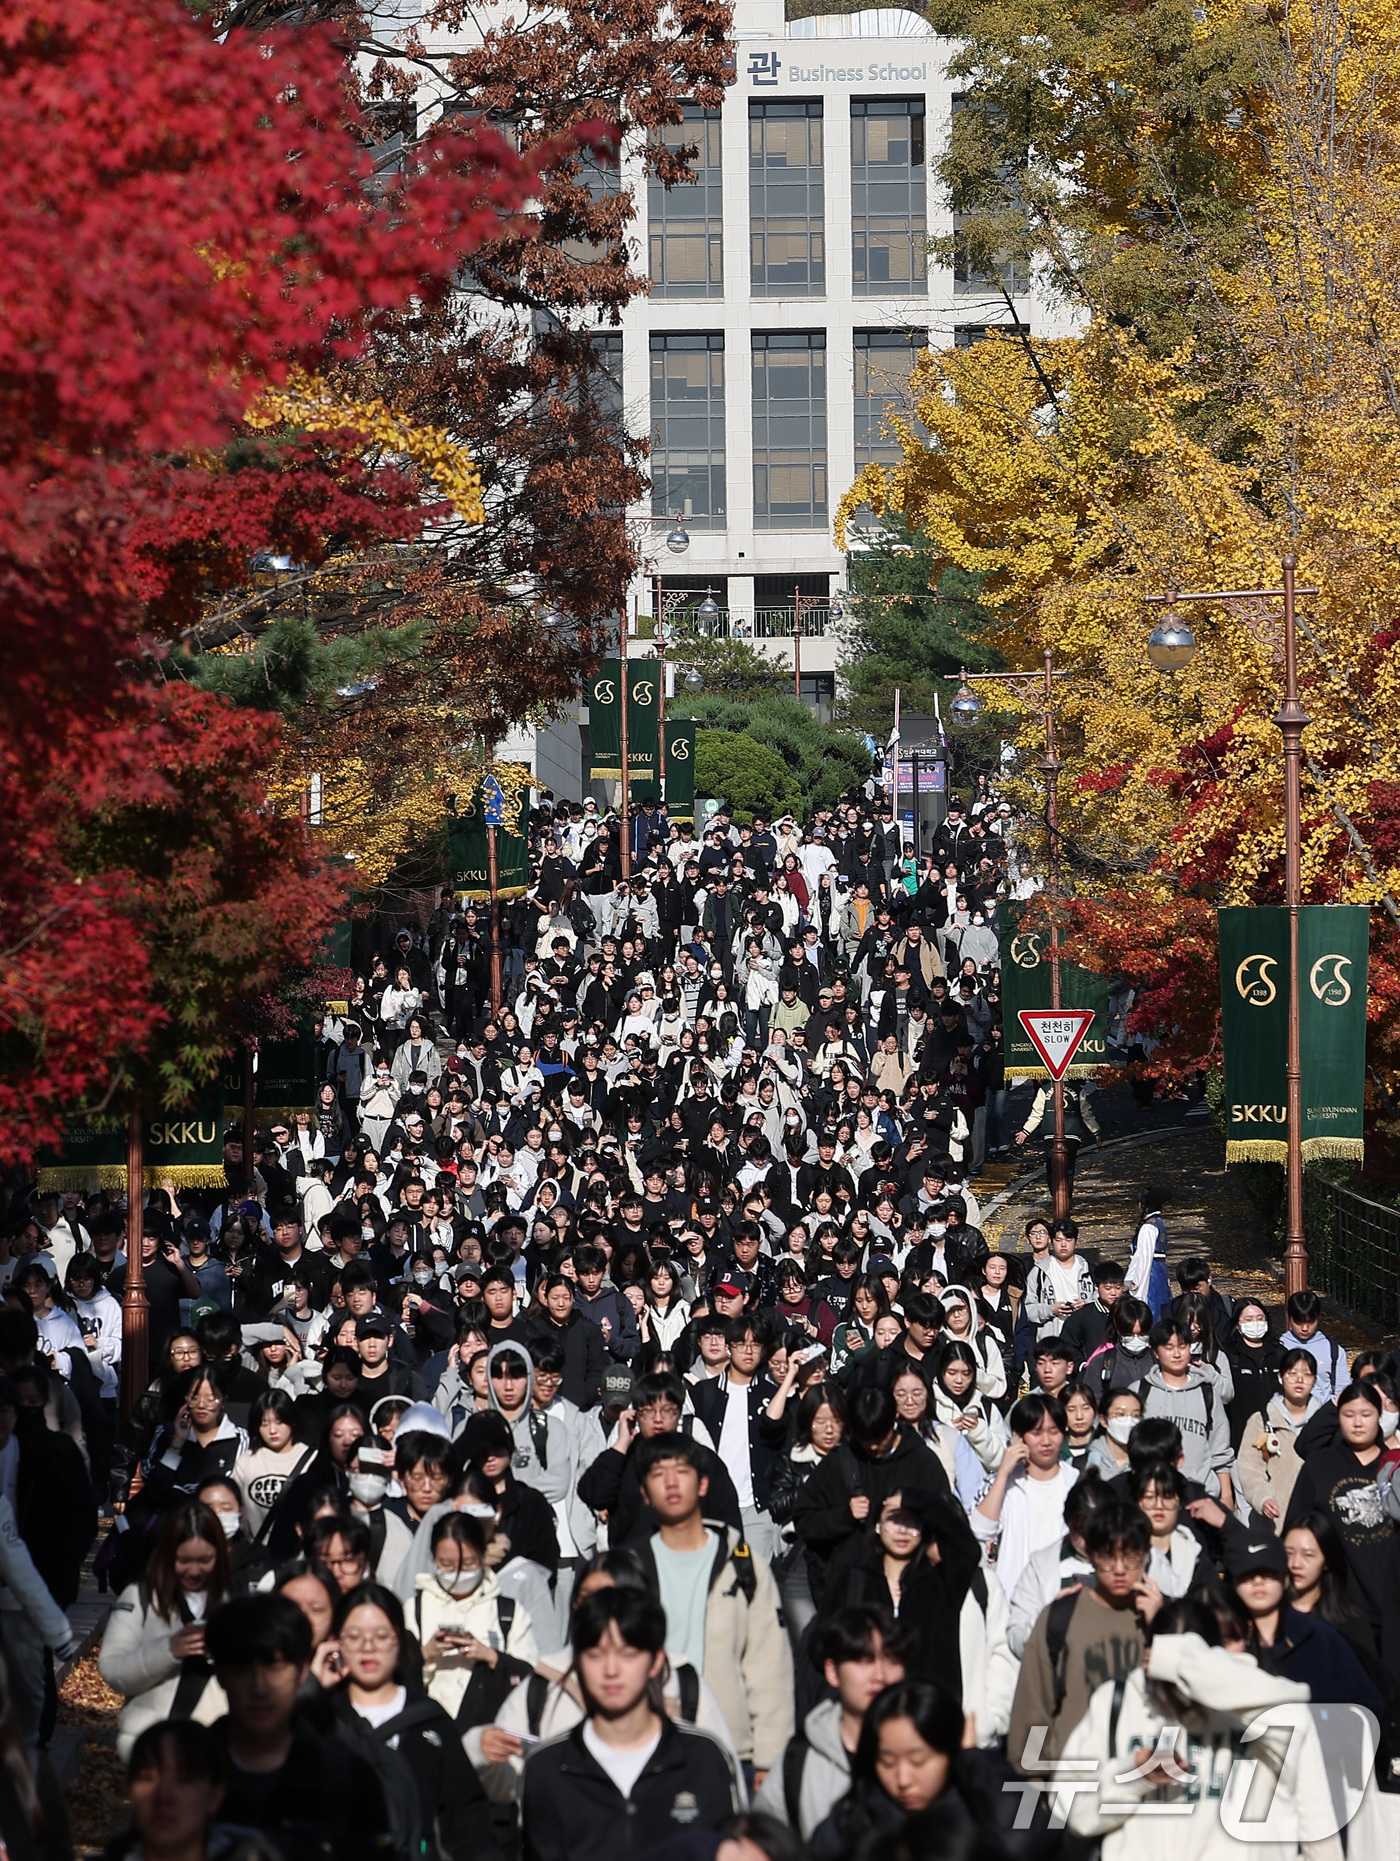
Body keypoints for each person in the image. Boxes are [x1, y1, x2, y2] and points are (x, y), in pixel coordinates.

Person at [1060, 1596, 1343, 1860]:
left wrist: (1187, 1666)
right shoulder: (1116, 1701)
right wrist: (1134, 1775)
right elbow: (1073, 1811)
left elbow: (1316, 1818)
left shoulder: (1258, 1706)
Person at [520, 1586, 744, 1861]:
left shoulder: (704, 1758)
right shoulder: (547, 1768)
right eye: (596, 1655)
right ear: (577, 1662)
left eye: (628, 1654)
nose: (611, 1670)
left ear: (656, 1662)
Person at [631, 1433, 794, 1785]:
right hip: (645, 1747)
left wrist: (768, 1756)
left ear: (703, 1483)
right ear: (644, 1492)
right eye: (658, 1474)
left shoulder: (742, 1565)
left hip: (730, 1747)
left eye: (682, 1471)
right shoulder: (629, 1569)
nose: (671, 1482)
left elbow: (768, 1664)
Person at [327, 1580, 499, 1861]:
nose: (368, 1647)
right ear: (337, 1642)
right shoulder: (321, 1721)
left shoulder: (431, 1721)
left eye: (381, 1636)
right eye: (355, 1636)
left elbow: (467, 1820)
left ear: (400, 1639)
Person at [806, 1679, 1034, 1861]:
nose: (903, 1779)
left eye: (919, 1761)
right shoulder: (849, 1827)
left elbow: (1030, 1835)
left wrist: (975, 1759)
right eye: (887, 1762)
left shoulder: (981, 1812)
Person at [1007, 1501, 1162, 1768]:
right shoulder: (1059, 1618)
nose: (1120, 1568)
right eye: (1107, 1556)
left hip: (1148, 1785)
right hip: (1073, 1785)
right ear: (1089, 1555)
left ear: (1147, 1553)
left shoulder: (1167, 1620)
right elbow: (1035, 1709)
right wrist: (1032, 1778)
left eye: (1131, 1556)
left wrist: (1162, 1628)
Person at [755, 1604, 914, 1841]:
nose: (880, 1675)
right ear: (832, 1672)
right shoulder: (799, 1762)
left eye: (891, 1660)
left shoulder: (929, 1747)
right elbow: (762, 1842)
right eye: (864, 1660)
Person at [98, 1501, 231, 1760]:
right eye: (184, 1561)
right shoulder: (140, 1598)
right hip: (151, 1747)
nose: (194, 1571)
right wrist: (169, 1650)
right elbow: (113, 1670)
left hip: (214, 1747)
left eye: (204, 1560)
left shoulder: (234, 1600)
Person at [973, 1394, 1078, 1603]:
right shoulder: (1002, 1482)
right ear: (1018, 1436)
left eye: (1054, 1432)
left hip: (1061, 1598)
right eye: (1036, 1433)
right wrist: (1003, 1473)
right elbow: (980, 1529)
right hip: (1011, 1597)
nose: (1046, 1441)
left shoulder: (1075, 1482)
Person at [1236, 1346, 1319, 1524]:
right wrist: (1263, 1498)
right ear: (1280, 1377)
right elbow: (1250, 1469)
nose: (1299, 1379)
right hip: (1274, 1520)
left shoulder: (1325, 1423)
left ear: (1314, 1380)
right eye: (1292, 1373)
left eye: (1307, 1374)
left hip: (1315, 1521)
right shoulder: (1261, 1420)